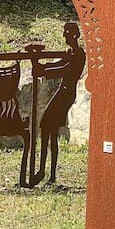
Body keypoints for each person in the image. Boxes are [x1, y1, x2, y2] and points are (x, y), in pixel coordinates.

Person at [32, 22, 86, 185]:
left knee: (50, 127)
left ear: (75, 35)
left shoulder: (79, 54)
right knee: (47, 128)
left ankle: (49, 173)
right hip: (63, 91)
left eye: (67, 32)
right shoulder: (70, 52)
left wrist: (43, 71)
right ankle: (43, 171)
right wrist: (42, 66)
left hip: (66, 94)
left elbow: (64, 69)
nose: (64, 36)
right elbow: (58, 64)